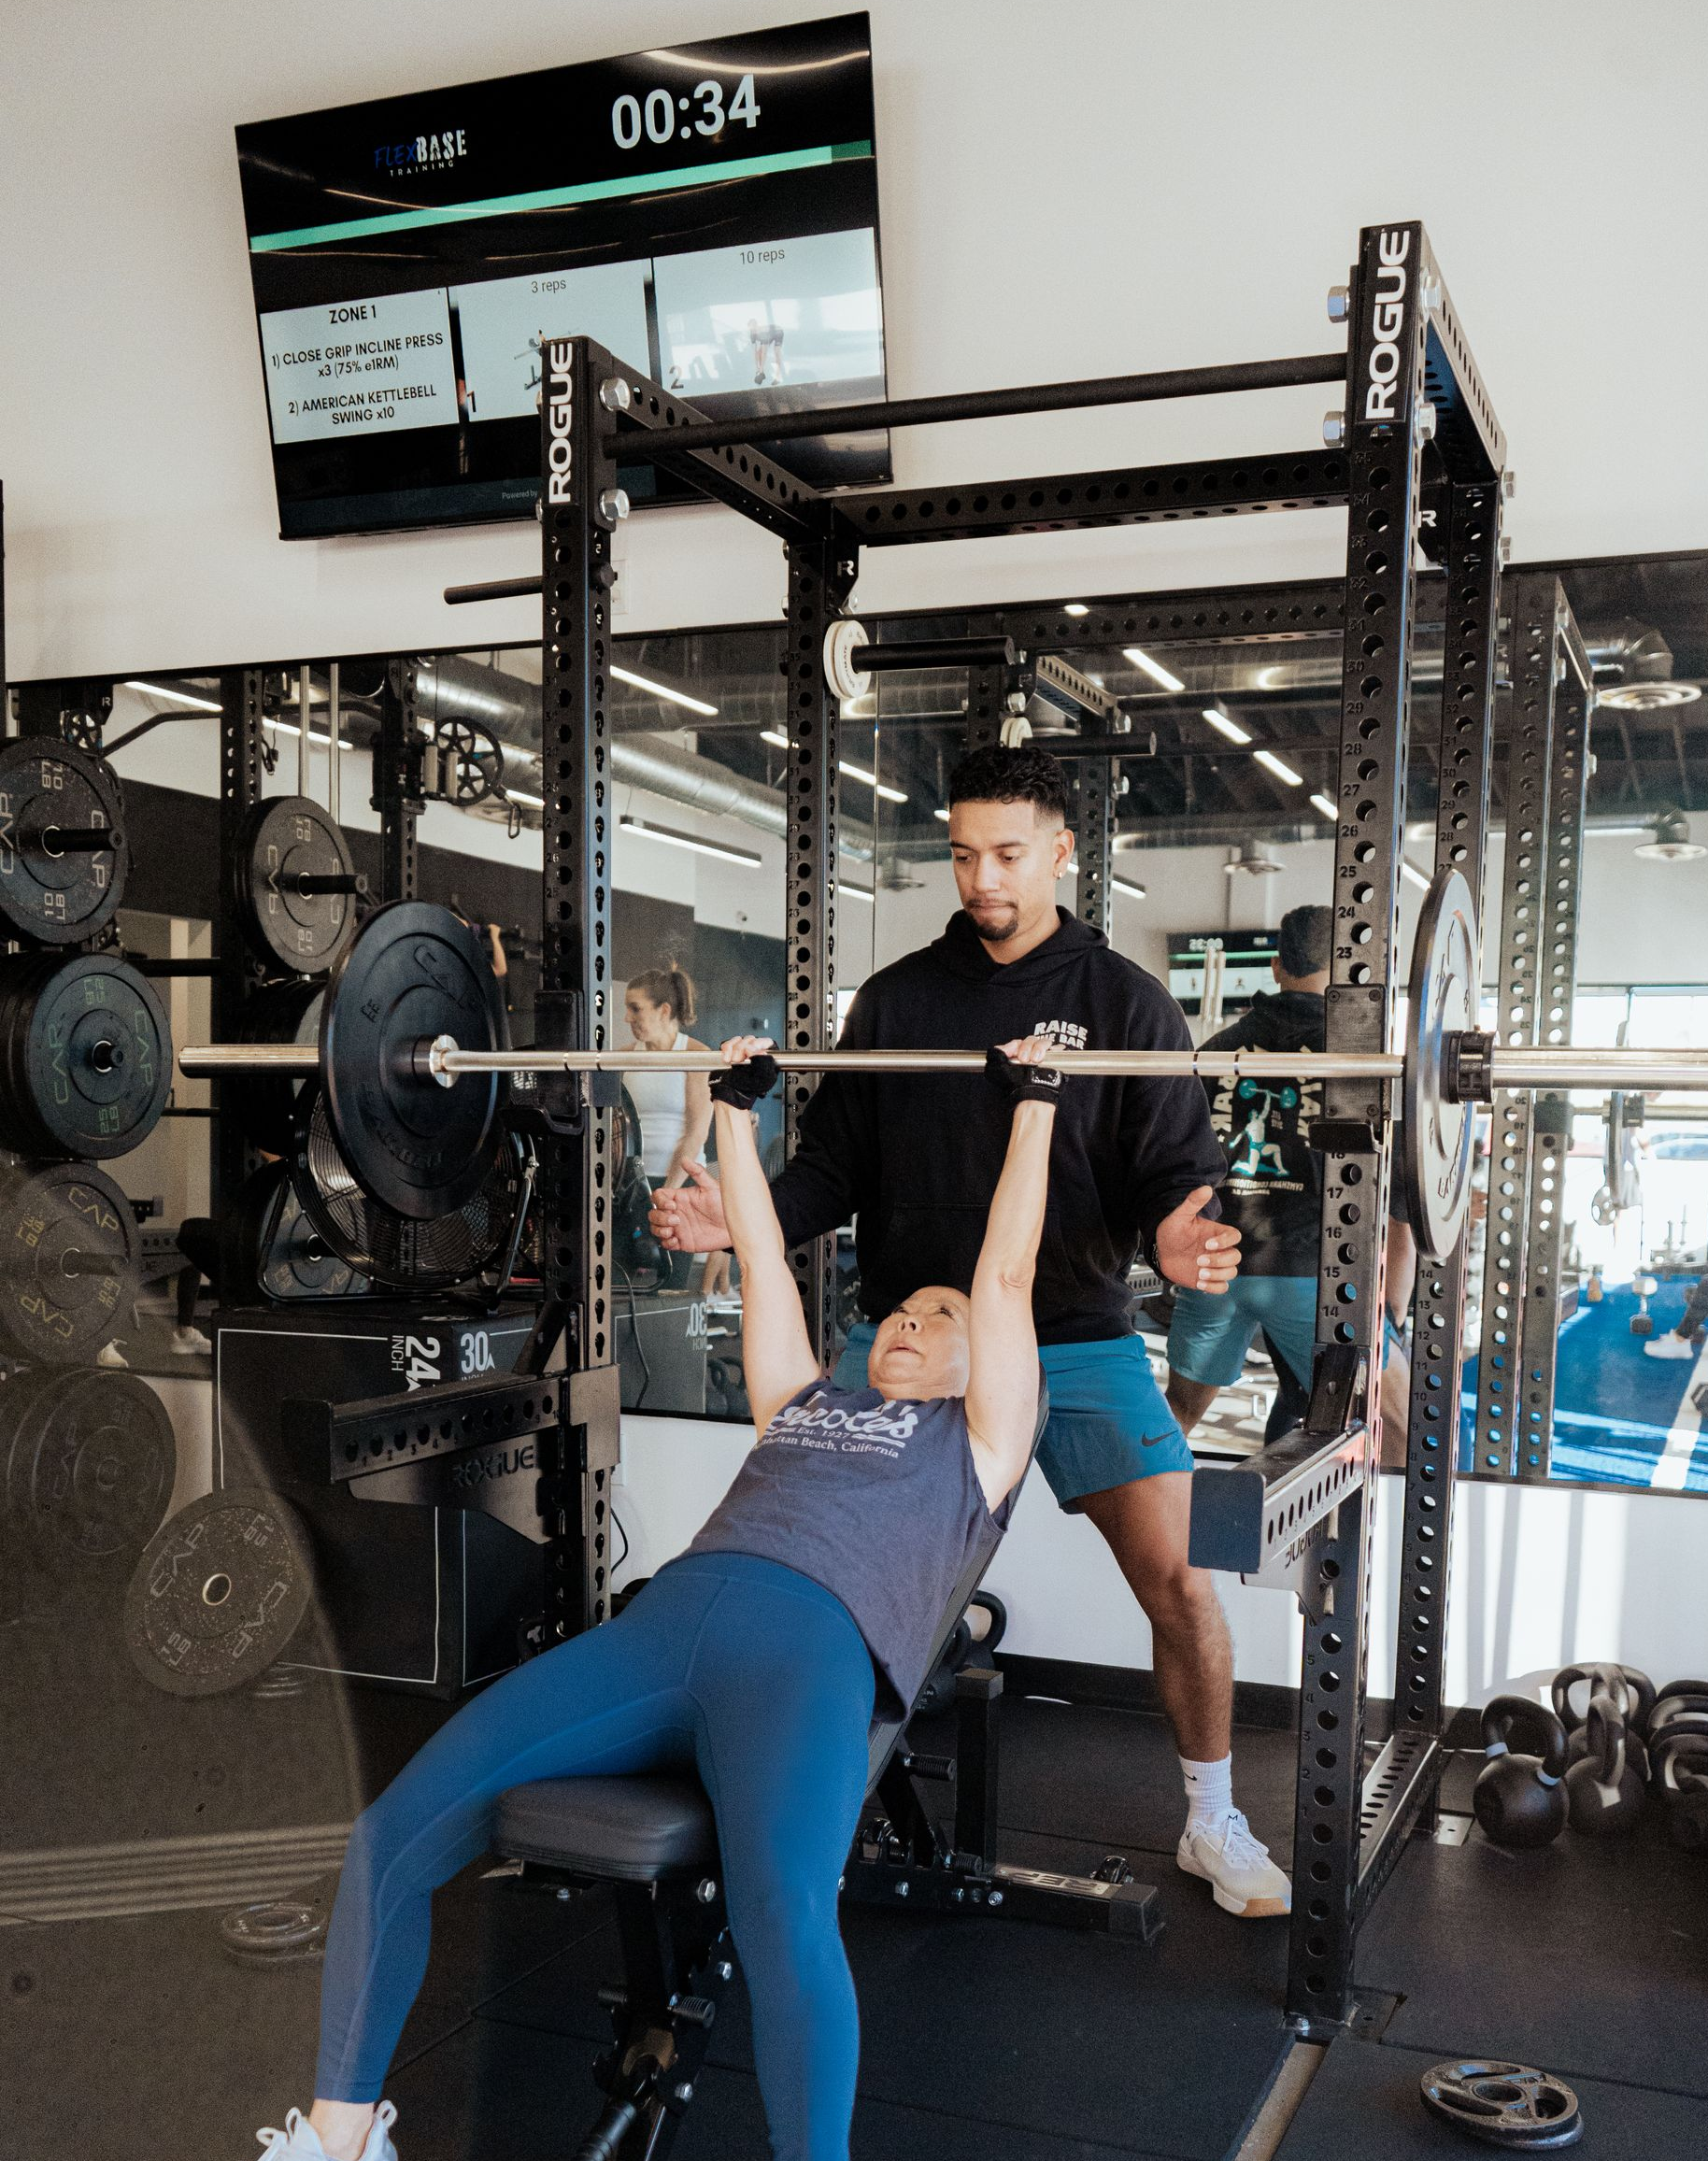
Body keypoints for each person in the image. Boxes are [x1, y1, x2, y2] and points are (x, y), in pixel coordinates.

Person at [251, 1032, 1060, 2161]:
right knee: (391, 1834)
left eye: (941, 1315)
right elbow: (768, 1266)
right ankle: (336, 2141)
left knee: (785, 1917)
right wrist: (732, 1110)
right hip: (664, 1631)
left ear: (992, 1362)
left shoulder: (980, 1448)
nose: (912, 1324)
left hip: (806, 1660)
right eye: (902, 1314)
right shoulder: (806, 1400)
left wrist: (1036, 1107)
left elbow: (1008, 1274)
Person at [652, 744, 1290, 1920]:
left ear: (1062, 851)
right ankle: (801, 1803)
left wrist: (1180, 1242)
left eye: (1006, 854)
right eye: (961, 854)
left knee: (1183, 1586)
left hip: (1076, 1340)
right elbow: (830, 1171)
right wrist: (723, 1217)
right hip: (906, 1336)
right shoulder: (897, 1000)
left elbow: (1174, 1181)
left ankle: (1212, 1817)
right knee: (824, 1578)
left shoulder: (1123, 1004)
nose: (981, 877)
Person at [1164, 905, 1330, 1445]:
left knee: (1177, 1418)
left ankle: (1127, 1513)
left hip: (1217, 1267)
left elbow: (1176, 1159)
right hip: (1306, 1272)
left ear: (1278, 968)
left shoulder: (1213, 1051)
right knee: (1371, 1421)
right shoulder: (1355, 1058)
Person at [620, 964, 714, 1194]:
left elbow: (697, 1132)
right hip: (631, 1182)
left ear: (663, 1010)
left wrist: (669, 1190)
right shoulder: (623, 1057)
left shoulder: (697, 1055)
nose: (627, 1018)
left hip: (682, 1183)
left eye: (635, 1009)